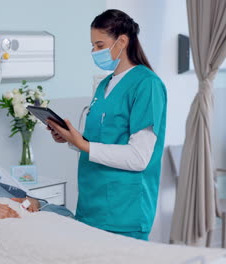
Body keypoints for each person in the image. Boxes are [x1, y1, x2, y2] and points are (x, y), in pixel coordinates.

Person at [46, 9, 167, 241]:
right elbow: (101, 140)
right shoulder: (104, 85)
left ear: (122, 41)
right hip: (91, 207)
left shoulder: (147, 85)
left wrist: (83, 145)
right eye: (92, 46)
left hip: (124, 211)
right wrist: (71, 139)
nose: (94, 52)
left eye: (100, 45)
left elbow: (139, 157)